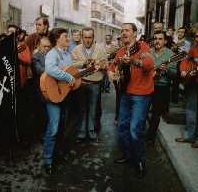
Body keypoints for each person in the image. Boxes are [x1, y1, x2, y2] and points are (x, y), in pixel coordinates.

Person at [108, 23, 154, 178]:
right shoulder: (121, 51)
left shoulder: (143, 48)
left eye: (127, 30)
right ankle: (128, 155)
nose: (123, 33)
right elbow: (111, 67)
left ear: (135, 33)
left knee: (135, 130)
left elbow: (149, 65)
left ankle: (140, 161)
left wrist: (133, 61)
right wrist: (111, 75)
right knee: (122, 127)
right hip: (125, 94)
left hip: (141, 94)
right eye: (122, 31)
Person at [43, 28, 75, 174]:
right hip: (54, 95)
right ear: (57, 39)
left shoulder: (68, 54)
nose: (67, 38)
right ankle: (48, 160)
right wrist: (68, 78)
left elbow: (70, 70)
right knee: (54, 127)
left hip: (65, 94)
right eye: (65, 36)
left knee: (62, 127)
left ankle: (58, 154)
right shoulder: (52, 54)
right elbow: (50, 69)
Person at [72, 27, 107, 142]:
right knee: (81, 109)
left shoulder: (100, 49)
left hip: (95, 83)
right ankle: (81, 133)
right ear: (82, 37)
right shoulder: (76, 49)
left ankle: (92, 133)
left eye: (90, 37)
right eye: (85, 37)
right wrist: (83, 63)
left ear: (93, 37)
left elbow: (105, 64)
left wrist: (100, 66)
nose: (87, 40)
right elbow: (72, 64)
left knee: (93, 109)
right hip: (80, 83)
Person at [147, 31, 176, 144]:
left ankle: (150, 137)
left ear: (165, 41)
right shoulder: (148, 52)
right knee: (143, 111)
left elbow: (174, 74)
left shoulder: (171, 54)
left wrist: (166, 70)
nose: (157, 41)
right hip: (147, 85)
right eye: (155, 38)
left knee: (156, 113)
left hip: (161, 87)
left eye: (160, 39)